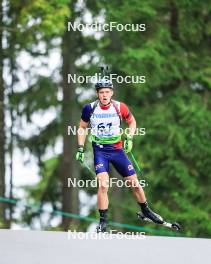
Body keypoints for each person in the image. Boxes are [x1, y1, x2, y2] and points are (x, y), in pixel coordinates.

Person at [76, 77, 163, 232]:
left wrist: (130, 137)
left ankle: (146, 211)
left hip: (117, 150)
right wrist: (80, 148)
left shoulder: (119, 107)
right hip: (100, 150)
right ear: (97, 93)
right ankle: (103, 222)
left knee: (134, 183)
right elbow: (82, 127)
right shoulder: (90, 108)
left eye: (107, 92)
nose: (104, 95)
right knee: (103, 184)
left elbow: (132, 122)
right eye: (101, 92)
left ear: (112, 92)